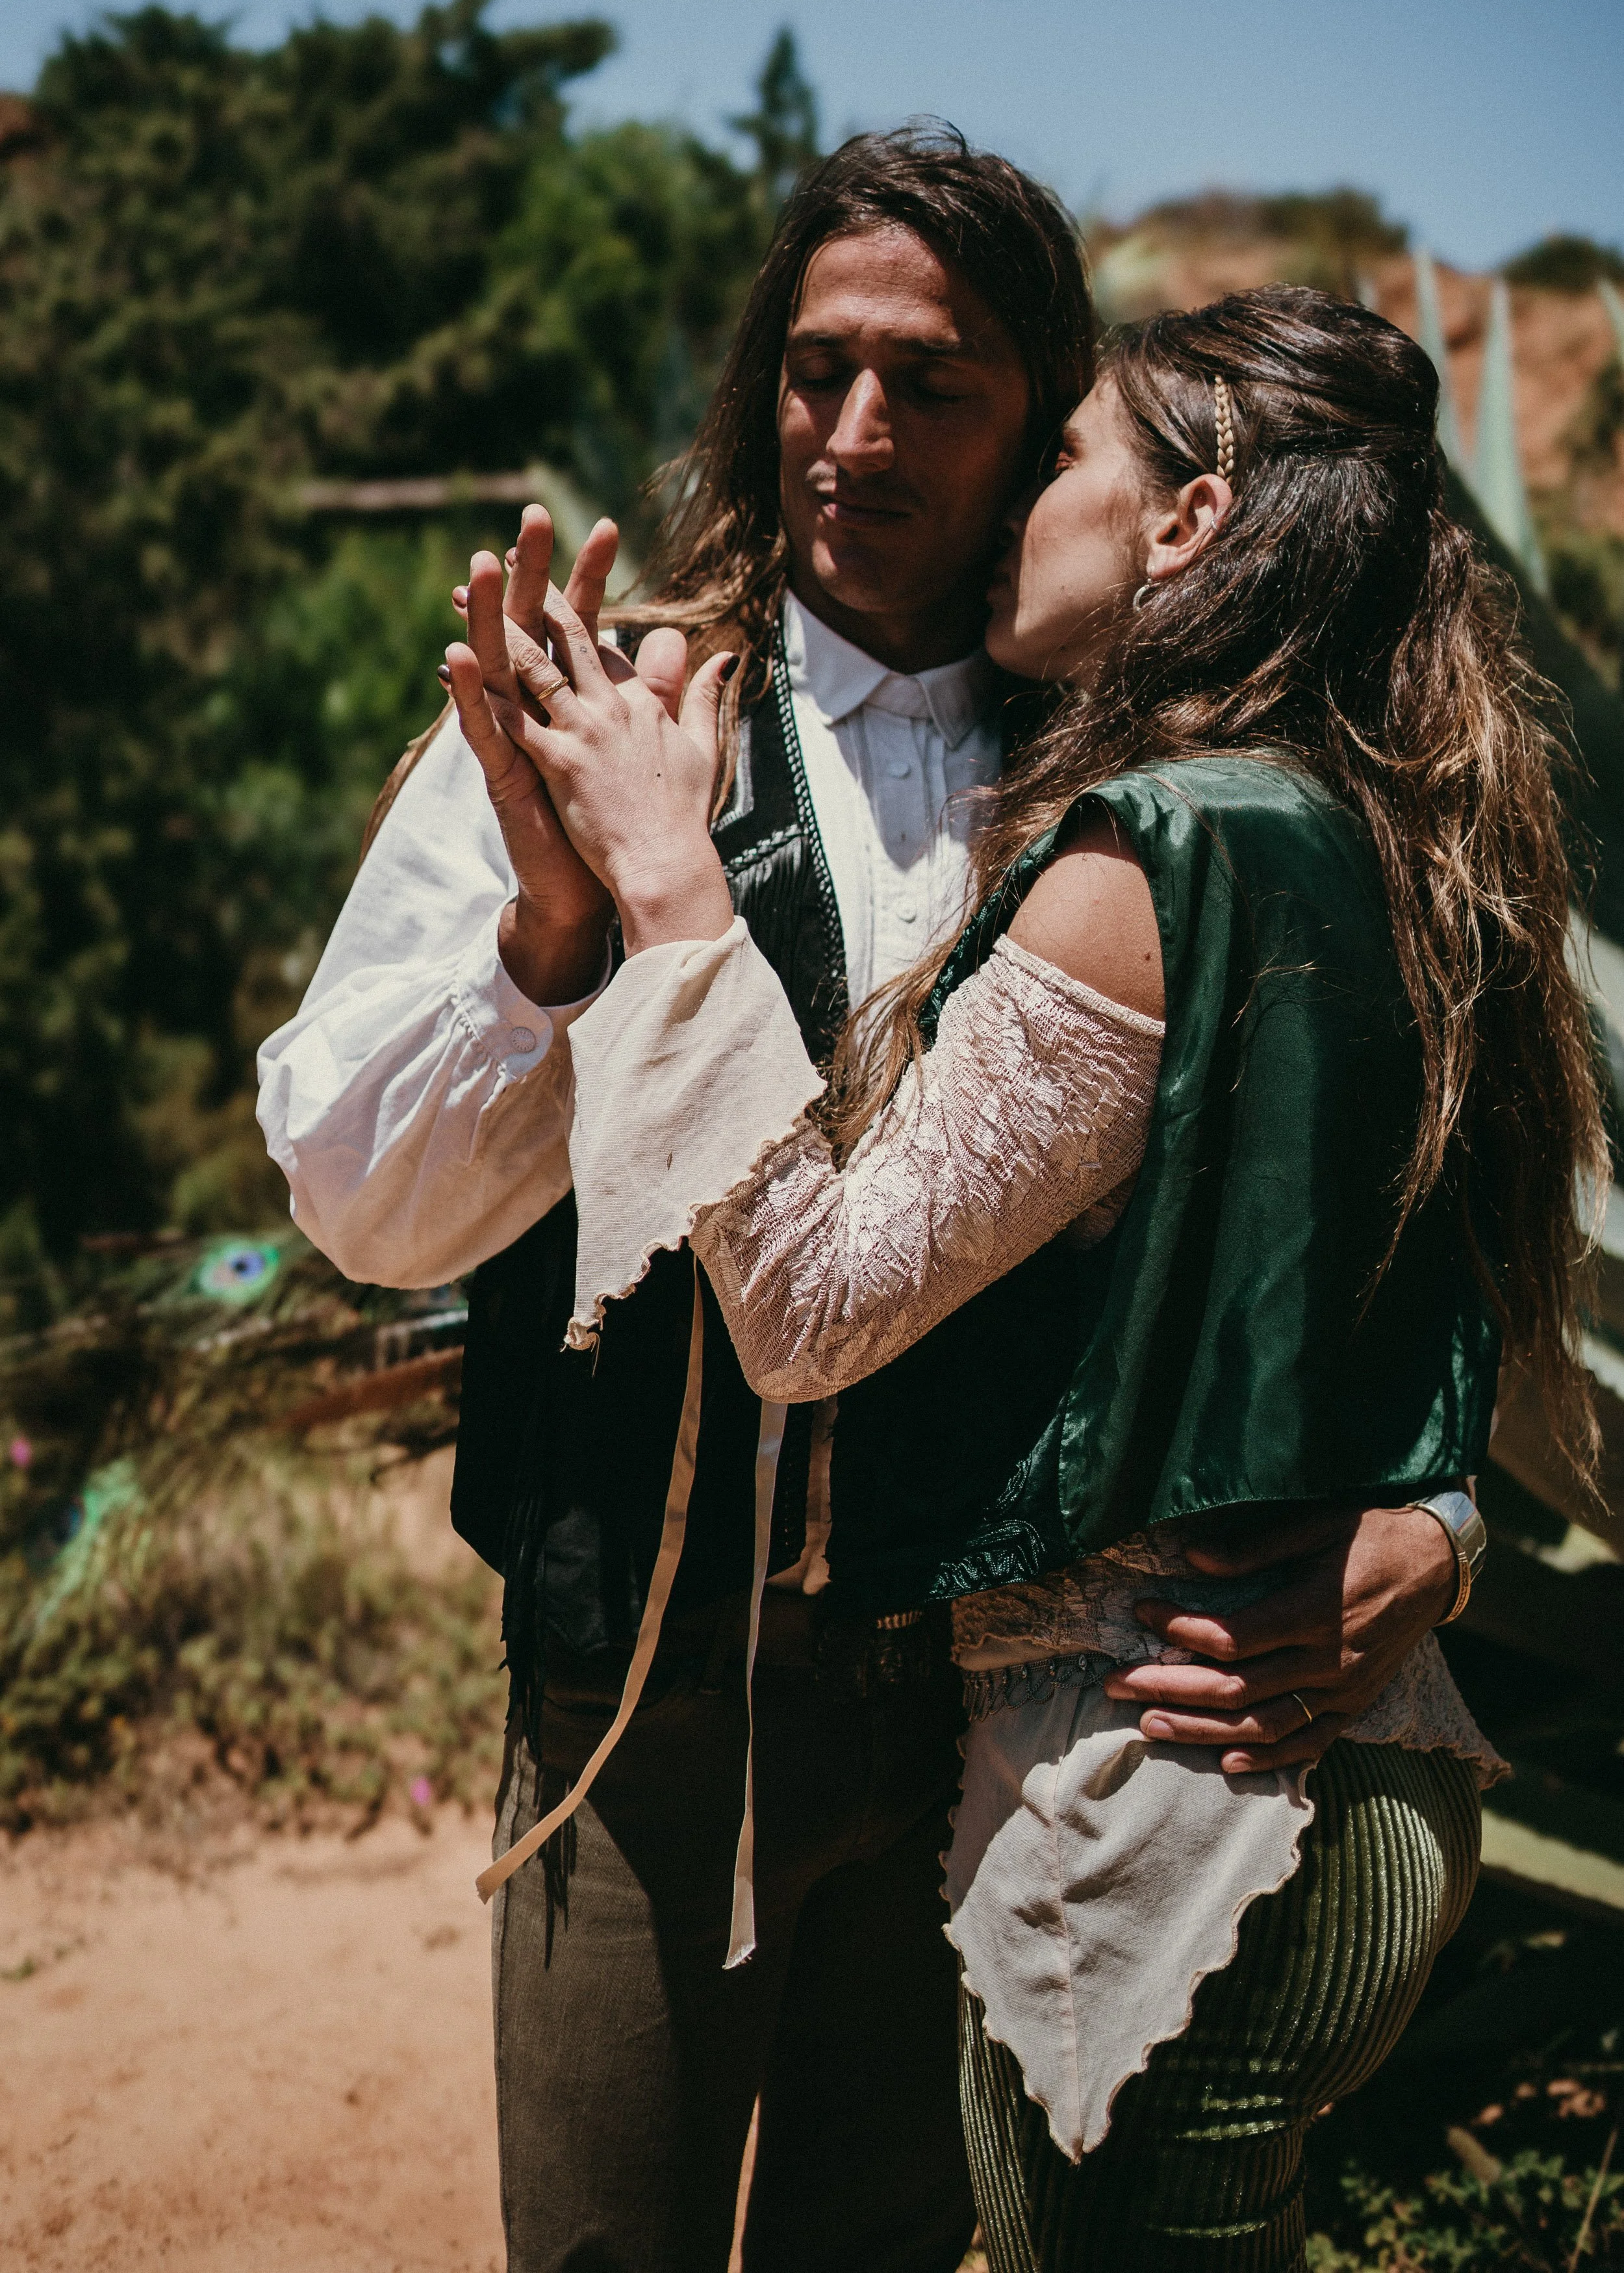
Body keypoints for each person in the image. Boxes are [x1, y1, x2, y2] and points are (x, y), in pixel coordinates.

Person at [259, 136, 1480, 2273]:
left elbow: (1367, 1201)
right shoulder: (596, 717)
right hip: (634, 1710)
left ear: (1040, 423)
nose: (854, 433)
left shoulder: (1126, 773)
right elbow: (364, 1208)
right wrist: (558, 948)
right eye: (814, 368)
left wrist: (1437, 1517)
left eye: (936, 381)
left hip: (965, 1728)